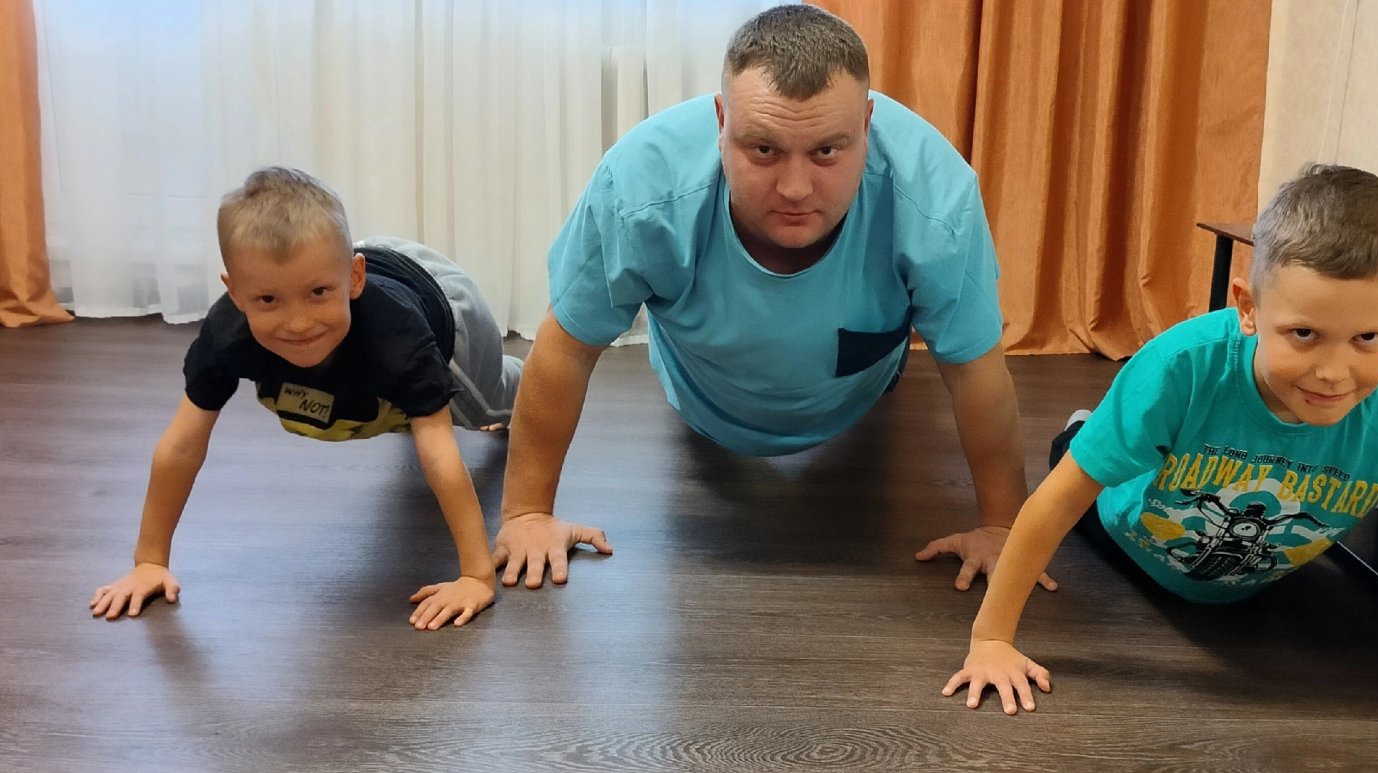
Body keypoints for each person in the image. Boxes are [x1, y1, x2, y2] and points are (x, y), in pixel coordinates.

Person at [942, 165, 1378, 753]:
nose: (1334, 371)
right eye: (1304, 333)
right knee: (1082, 455)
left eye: (1369, 337)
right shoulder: (1182, 364)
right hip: (1125, 526)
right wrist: (992, 639)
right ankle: (1092, 427)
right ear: (1248, 308)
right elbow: (1060, 499)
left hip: (1252, 575)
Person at [491, 4, 1048, 594]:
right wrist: (525, 513)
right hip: (699, 397)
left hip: (861, 395)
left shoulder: (935, 199)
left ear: (867, 123)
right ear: (720, 121)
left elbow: (974, 367)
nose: (795, 189)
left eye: (827, 151)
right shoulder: (639, 188)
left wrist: (1004, 526)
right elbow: (567, 345)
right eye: (763, 150)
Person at [89, 167, 523, 631]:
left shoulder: (399, 340)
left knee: (486, 408)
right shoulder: (228, 333)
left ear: (354, 279)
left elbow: (437, 451)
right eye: (268, 300)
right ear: (234, 293)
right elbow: (181, 445)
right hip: (358, 273)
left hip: (440, 306)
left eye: (317, 295)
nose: (297, 323)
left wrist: (476, 577)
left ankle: (522, 377)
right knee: (394, 397)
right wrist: (149, 561)